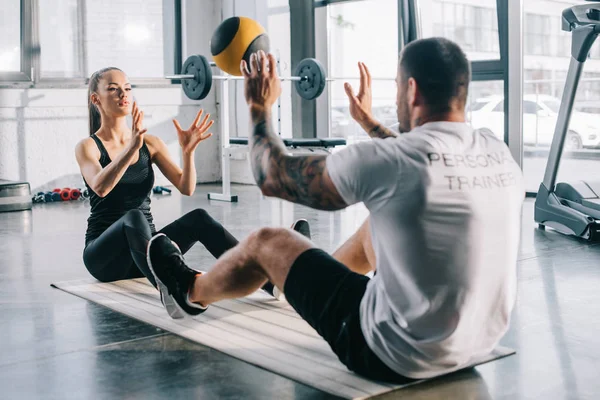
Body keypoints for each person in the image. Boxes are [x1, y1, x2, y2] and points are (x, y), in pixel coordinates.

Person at [146, 37, 525, 382]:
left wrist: (259, 108)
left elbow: (271, 175)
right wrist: (369, 123)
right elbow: (425, 159)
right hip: (474, 348)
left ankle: (188, 291)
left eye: (396, 87)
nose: (395, 97)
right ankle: (291, 288)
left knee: (268, 242)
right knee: (376, 224)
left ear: (411, 90)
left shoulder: (391, 162)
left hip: (393, 355)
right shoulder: (496, 150)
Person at [75, 67, 294, 316]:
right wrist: (130, 149)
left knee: (199, 217)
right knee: (133, 217)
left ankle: (267, 280)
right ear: (96, 99)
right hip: (105, 257)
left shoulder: (150, 143)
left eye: (126, 88)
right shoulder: (88, 146)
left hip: (147, 254)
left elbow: (186, 187)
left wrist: (188, 153)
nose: (122, 95)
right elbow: (101, 187)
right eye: (113, 89)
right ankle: (175, 287)